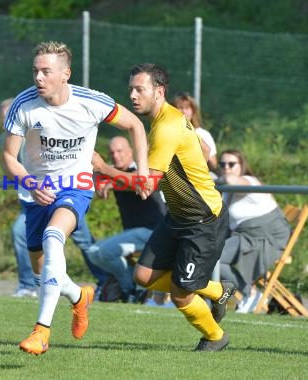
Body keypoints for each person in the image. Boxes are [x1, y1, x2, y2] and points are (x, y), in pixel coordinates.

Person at [1, 41, 151, 355]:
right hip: (36, 193)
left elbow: (136, 125)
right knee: (44, 274)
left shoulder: (92, 102)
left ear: (66, 74)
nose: (38, 77)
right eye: (35, 71)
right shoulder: (23, 105)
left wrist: (143, 173)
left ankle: (41, 332)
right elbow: (9, 157)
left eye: (46, 71)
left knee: (54, 237)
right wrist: (29, 181)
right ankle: (79, 296)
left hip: (76, 187)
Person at [93, 63, 234, 351]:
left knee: (181, 295)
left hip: (203, 220)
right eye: (130, 88)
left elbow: (147, 184)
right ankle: (218, 291)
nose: (132, 95)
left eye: (139, 89)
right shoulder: (166, 119)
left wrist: (103, 168)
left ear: (159, 91)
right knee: (143, 276)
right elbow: (204, 151)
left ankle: (215, 337)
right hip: (178, 216)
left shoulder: (166, 126)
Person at [0, 98, 108, 298]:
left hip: (66, 193)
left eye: (9, 115)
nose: (8, 120)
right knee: (22, 236)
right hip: (33, 200)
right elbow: (10, 165)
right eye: (4, 117)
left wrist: (97, 177)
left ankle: (105, 282)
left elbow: (79, 151)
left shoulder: (41, 124)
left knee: (84, 241)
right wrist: (30, 184)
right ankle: (29, 285)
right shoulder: (8, 140)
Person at [89, 136, 167, 303]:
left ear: (131, 151)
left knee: (104, 252)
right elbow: (93, 174)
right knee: (93, 252)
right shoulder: (112, 171)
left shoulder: (141, 169)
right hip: (133, 232)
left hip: (152, 231)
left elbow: (137, 181)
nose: (116, 155)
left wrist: (112, 183)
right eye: (112, 152)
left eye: (120, 151)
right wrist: (99, 180)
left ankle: (129, 289)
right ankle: (130, 286)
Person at [216, 149, 291, 313]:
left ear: (242, 166)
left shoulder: (248, 180)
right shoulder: (228, 190)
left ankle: (249, 293)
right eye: (222, 164)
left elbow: (228, 178)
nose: (226, 167)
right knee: (211, 256)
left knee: (215, 257)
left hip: (266, 235)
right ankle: (248, 292)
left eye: (231, 164)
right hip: (245, 235)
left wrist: (216, 181)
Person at [171, 92, 218, 174]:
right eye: (180, 108)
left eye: (187, 108)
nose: (184, 111)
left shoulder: (203, 134)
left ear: (193, 111)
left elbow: (213, 163)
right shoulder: (165, 132)